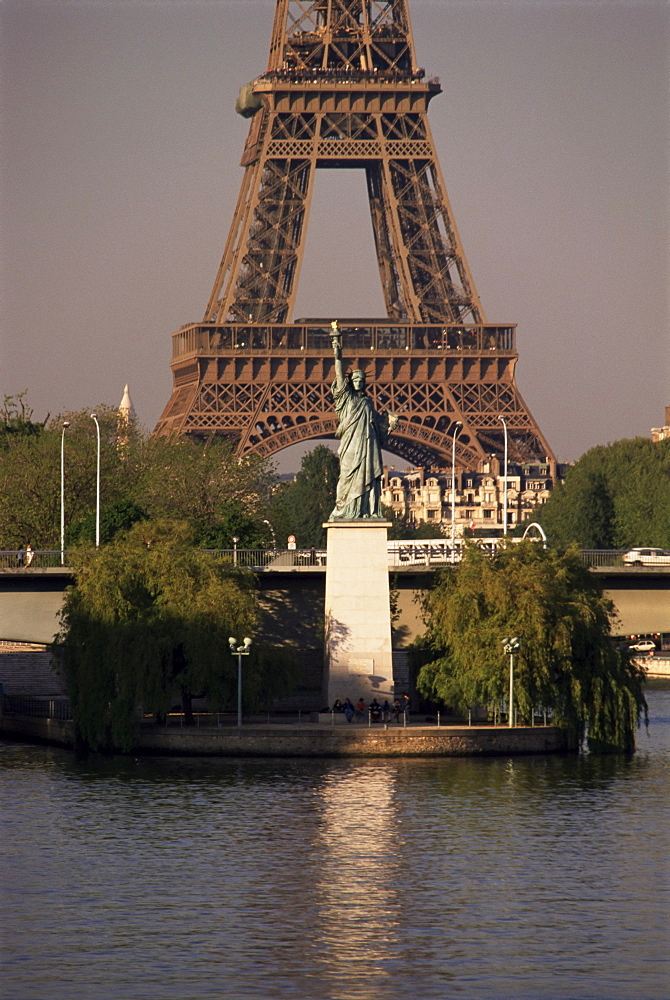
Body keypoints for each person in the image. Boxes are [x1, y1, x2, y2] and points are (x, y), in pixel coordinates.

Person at [328, 320, 398, 519]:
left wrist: (389, 423)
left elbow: (378, 426)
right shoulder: (346, 397)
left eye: (361, 380)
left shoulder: (368, 402)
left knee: (367, 476)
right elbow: (339, 371)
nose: (358, 382)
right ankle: (345, 509)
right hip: (351, 444)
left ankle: (365, 510)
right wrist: (337, 350)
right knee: (347, 477)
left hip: (368, 444)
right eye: (355, 379)